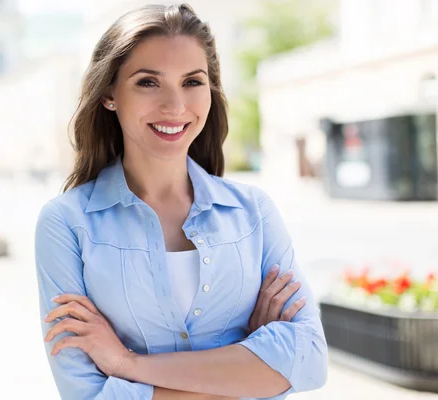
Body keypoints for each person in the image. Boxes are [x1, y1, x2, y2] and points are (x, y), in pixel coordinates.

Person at [35, 4, 328, 399]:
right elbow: (87, 395)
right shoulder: (66, 223)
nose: (175, 105)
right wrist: (251, 370)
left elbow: (309, 359)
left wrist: (126, 365)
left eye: (192, 81)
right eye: (148, 83)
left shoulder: (253, 211)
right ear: (109, 94)